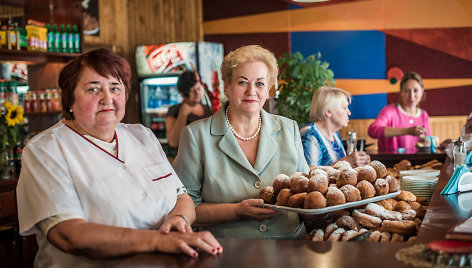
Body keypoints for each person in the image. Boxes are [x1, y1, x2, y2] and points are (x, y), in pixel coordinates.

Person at [16, 49, 221, 267]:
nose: (107, 99)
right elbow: (68, 235)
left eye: (115, 88)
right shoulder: (45, 150)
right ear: (69, 99)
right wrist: (159, 241)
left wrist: (179, 221)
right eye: (93, 89)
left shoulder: (142, 136)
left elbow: (182, 198)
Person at [172, 45, 309, 239]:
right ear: (227, 86)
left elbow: (304, 189)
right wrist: (236, 211)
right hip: (228, 252)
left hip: (290, 247)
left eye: (260, 84)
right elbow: (185, 206)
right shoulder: (196, 135)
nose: (251, 91)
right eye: (242, 82)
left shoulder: (290, 129)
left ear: (268, 89)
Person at [300, 86, 371, 168]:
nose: (349, 113)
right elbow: (309, 174)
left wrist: (358, 163)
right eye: (345, 108)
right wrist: (346, 162)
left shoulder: (334, 134)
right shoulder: (310, 133)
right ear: (328, 111)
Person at [368, 72, 431, 151]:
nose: (411, 95)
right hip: (390, 162)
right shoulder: (390, 111)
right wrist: (408, 131)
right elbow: (372, 130)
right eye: (407, 90)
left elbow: (428, 144)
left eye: (415, 90)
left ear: (422, 92)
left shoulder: (424, 115)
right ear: (401, 92)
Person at [166, 71, 212, 148]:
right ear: (182, 93)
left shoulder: (208, 109)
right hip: (187, 158)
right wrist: (183, 114)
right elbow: (173, 142)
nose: (197, 93)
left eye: (198, 88)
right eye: (192, 90)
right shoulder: (174, 110)